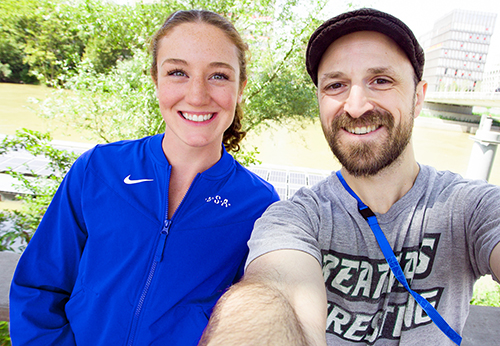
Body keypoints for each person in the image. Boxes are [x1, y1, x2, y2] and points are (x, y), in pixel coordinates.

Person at [198, 8, 500, 346]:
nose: (356, 106)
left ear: (418, 96)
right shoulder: (295, 219)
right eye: (336, 85)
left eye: (381, 81)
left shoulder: (469, 208)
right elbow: (273, 293)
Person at [9, 9, 279, 346]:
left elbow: (252, 326)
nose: (197, 95)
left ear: (241, 88)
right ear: (155, 80)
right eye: (178, 72)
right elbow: (39, 287)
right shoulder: (98, 170)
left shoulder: (259, 206)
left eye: (219, 76)